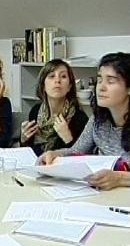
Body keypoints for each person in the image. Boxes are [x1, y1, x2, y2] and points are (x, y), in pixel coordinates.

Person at [39, 52, 130, 190]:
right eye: (99, 80)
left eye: (110, 81)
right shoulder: (98, 120)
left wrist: (119, 178)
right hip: (100, 196)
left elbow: (117, 177)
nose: (101, 87)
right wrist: (54, 154)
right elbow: (76, 151)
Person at [20, 59, 88, 156]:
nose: (57, 81)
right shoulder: (35, 111)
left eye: (63, 76)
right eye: (52, 76)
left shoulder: (80, 118)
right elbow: (28, 153)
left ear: (69, 86)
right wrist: (23, 140)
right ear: (43, 85)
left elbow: (83, 159)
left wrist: (68, 139)